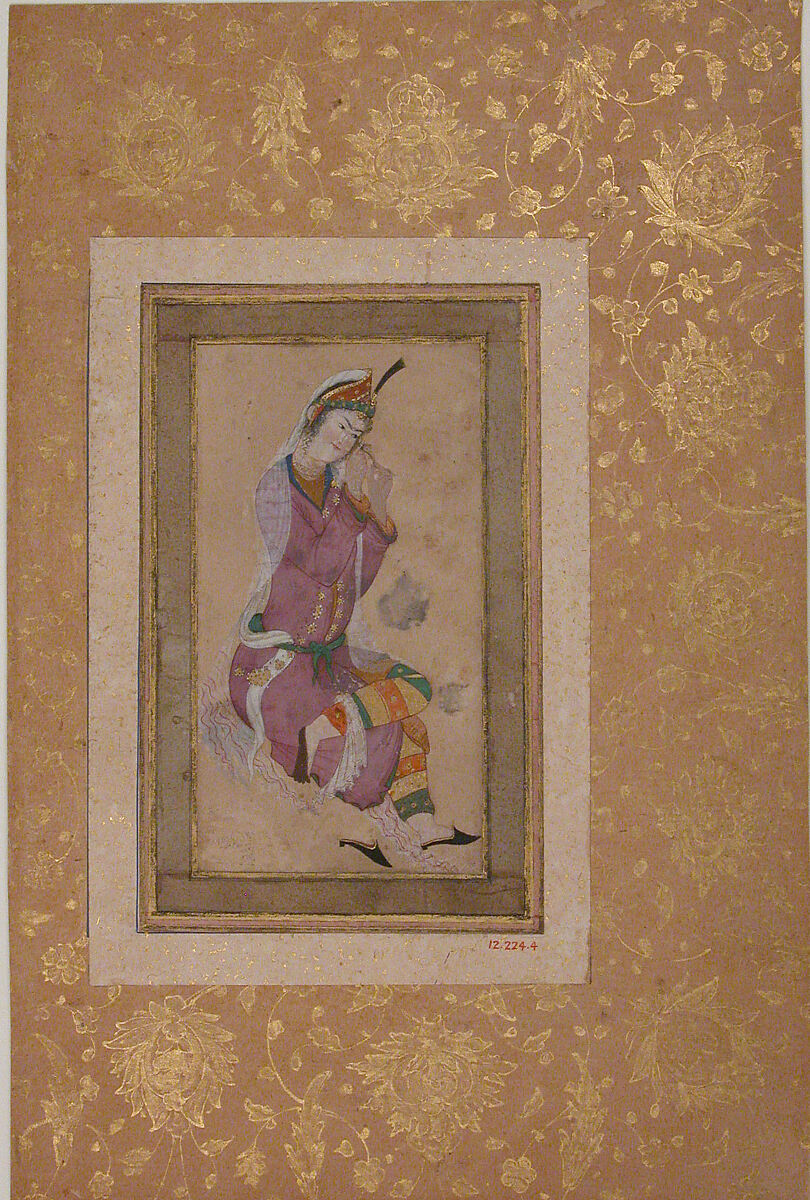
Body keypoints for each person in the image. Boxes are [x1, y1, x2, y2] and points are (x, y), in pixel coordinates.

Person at [223, 360, 478, 867]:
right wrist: (360, 503)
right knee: (384, 730)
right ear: (316, 417)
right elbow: (318, 567)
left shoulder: (339, 491)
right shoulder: (276, 487)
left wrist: (376, 512)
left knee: (412, 689)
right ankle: (321, 744)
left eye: (356, 435)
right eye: (342, 426)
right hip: (276, 670)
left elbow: (352, 585)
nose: (346, 442)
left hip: (328, 662)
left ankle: (420, 822)